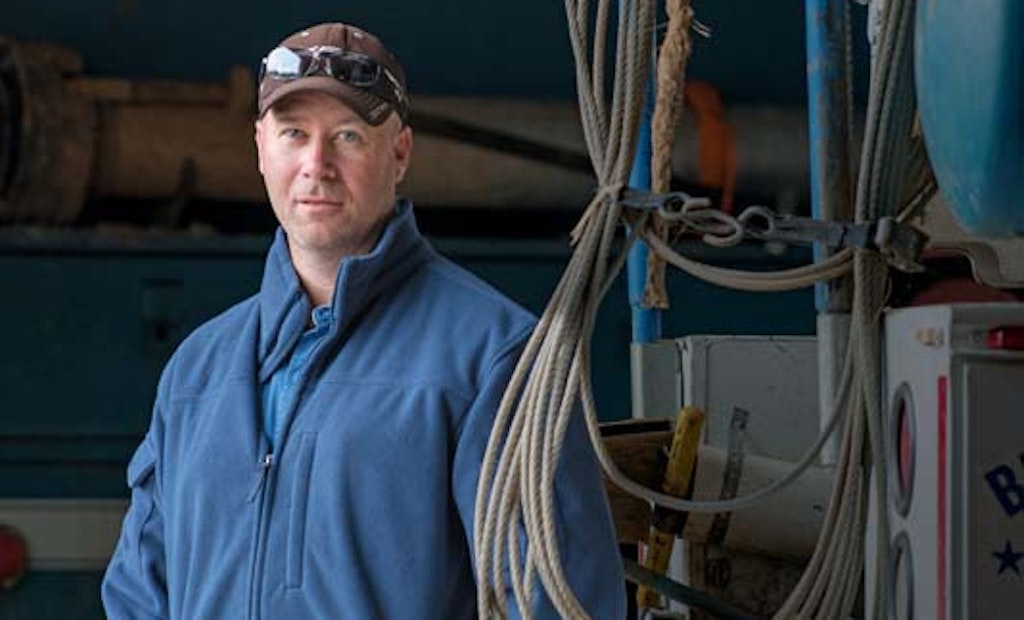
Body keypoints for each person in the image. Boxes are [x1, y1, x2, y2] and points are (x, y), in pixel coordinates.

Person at [101, 21, 625, 619]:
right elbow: (138, 597)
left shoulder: (492, 358)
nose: (316, 164)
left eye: (347, 136)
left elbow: (559, 600)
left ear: (399, 153)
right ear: (261, 147)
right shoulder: (197, 371)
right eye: (294, 134)